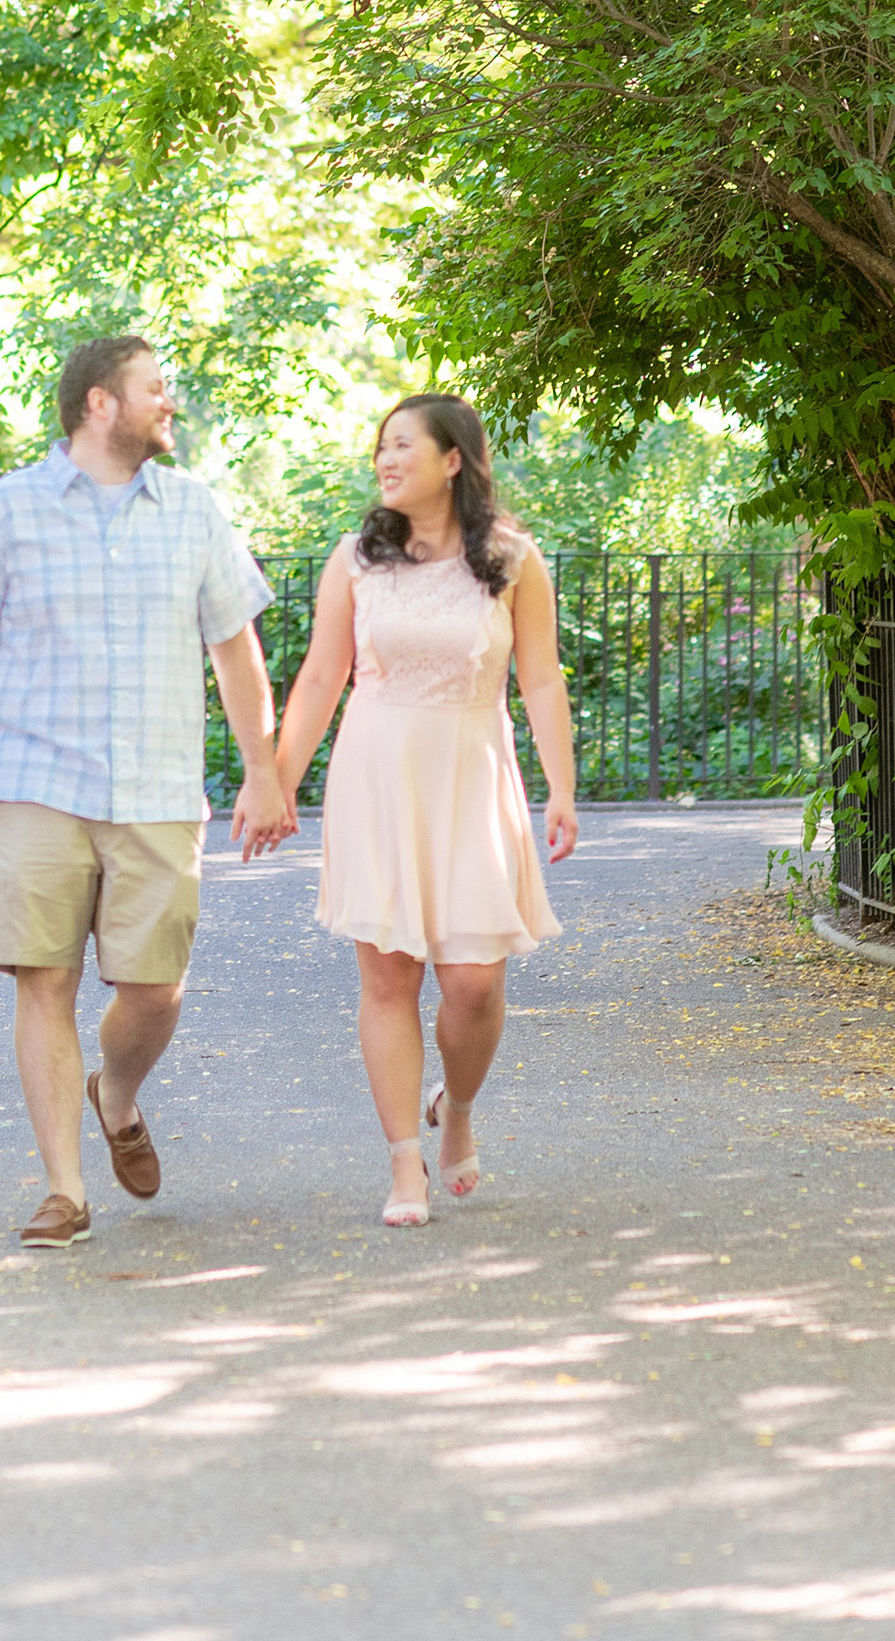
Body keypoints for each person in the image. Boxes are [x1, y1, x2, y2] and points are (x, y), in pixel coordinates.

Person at [0, 335, 293, 1249]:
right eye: (156, 388)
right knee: (44, 977)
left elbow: (235, 650)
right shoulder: (8, 511)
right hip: (32, 780)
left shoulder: (193, 511)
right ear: (101, 403)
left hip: (158, 786)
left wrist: (264, 770)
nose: (169, 402)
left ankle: (120, 1091)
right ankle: (65, 1188)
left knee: (155, 990)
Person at [274, 393, 577, 1227]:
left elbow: (541, 678)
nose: (385, 457)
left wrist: (562, 786)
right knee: (389, 976)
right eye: (381, 445)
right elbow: (318, 678)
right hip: (377, 775)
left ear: (453, 460)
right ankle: (404, 1162)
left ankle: (461, 1107)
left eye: (402, 443)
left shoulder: (513, 560)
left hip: (473, 776)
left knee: (474, 985)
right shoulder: (356, 559)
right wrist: (276, 780)